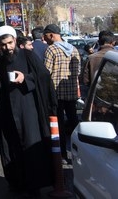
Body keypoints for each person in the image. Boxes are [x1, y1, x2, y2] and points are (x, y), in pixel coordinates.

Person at [0, 26, 56, 196]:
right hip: (10, 113)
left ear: (15, 41)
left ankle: (37, 185)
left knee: (32, 146)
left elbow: (43, 76)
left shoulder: (28, 56)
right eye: (3, 44)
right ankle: (19, 183)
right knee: (15, 148)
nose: (8, 47)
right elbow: (3, 88)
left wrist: (26, 78)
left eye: (10, 43)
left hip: (29, 109)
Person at [43, 23, 80, 162]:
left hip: (56, 93)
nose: (44, 39)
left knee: (58, 125)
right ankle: (80, 153)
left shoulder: (51, 49)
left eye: (46, 36)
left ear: (51, 35)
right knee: (74, 122)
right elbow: (78, 71)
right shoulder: (74, 49)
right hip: (71, 93)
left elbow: (46, 72)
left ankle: (62, 154)